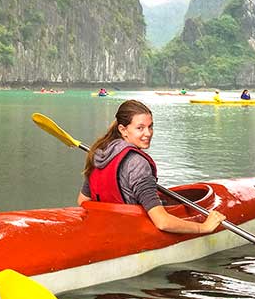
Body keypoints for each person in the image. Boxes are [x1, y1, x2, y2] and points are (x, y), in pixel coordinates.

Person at [77, 100, 226, 234]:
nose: (148, 133)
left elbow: (83, 201)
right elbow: (162, 222)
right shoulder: (137, 164)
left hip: (106, 225)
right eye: (140, 128)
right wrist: (204, 227)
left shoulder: (100, 153)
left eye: (150, 126)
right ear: (123, 130)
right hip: (129, 230)